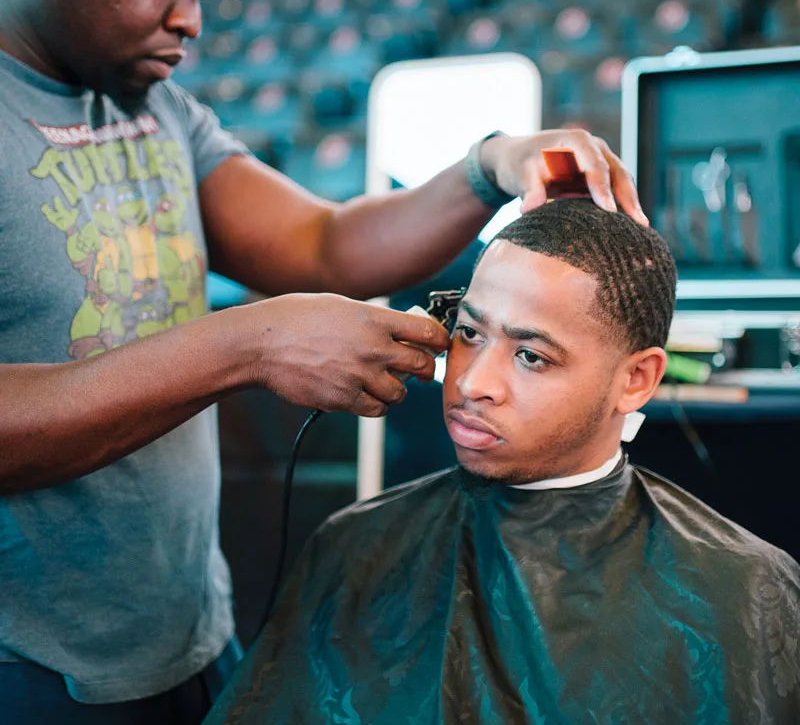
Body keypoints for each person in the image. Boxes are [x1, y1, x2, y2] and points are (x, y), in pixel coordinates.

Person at [0, 0, 649, 722]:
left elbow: (323, 243)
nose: (191, 21)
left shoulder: (154, 107)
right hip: (30, 671)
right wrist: (248, 344)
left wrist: (490, 166)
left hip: (187, 636)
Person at [205, 200, 800, 725]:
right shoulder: (356, 547)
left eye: (531, 356)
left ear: (636, 380)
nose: (474, 382)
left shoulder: (748, 593)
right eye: (469, 333)